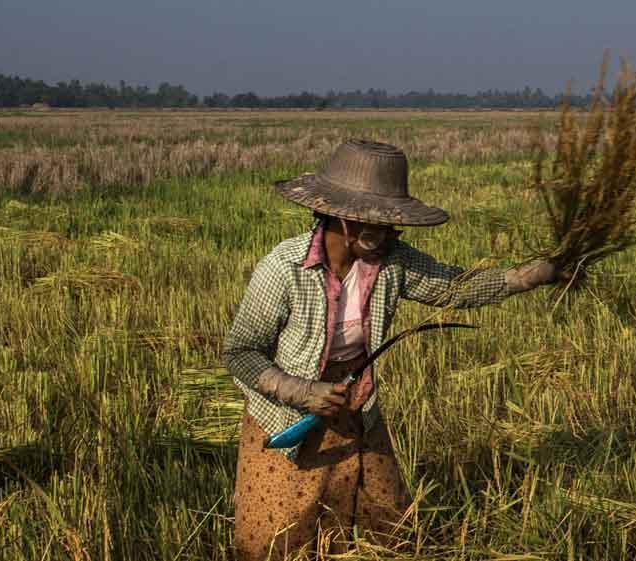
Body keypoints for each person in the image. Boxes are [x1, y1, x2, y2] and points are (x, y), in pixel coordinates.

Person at [222, 139, 563, 559]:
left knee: (386, 522)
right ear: (343, 218)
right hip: (285, 413)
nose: (387, 235)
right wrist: (302, 391)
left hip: (355, 404)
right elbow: (241, 352)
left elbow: (453, 287)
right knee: (277, 537)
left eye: (391, 226)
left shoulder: (390, 261)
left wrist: (528, 276)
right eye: (376, 226)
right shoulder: (284, 268)